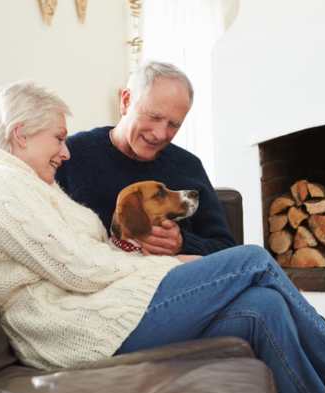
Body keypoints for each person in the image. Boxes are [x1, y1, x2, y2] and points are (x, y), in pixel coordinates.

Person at [0, 81, 325, 393]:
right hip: (70, 328)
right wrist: (171, 264)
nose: (65, 151)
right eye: (57, 138)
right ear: (20, 134)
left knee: (264, 305)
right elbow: (81, 269)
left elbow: (83, 256)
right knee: (253, 259)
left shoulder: (22, 183)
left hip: (96, 305)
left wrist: (178, 255)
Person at [56, 61, 235, 256]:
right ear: (125, 101)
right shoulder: (70, 155)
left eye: (173, 125)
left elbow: (226, 248)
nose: (160, 134)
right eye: (154, 116)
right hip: (104, 279)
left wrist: (182, 243)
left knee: (254, 259)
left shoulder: (188, 165)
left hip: (181, 278)